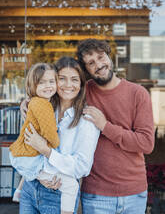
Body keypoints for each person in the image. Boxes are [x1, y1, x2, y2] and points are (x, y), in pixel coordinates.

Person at [76, 38, 155, 214]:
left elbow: (146, 143)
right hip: (96, 194)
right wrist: (28, 102)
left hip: (134, 193)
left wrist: (105, 126)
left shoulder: (138, 93)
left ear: (109, 57)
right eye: (91, 62)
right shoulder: (82, 93)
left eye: (101, 57)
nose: (99, 64)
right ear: (86, 70)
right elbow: (54, 93)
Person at [20, 56, 100, 214]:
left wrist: (47, 152)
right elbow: (25, 148)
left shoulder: (87, 119)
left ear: (81, 84)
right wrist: (38, 175)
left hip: (59, 194)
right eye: (61, 79)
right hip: (30, 188)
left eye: (74, 79)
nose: (68, 85)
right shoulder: (42, 107)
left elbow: (82, 167)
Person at [9, 62, 80, 214]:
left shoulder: (38, 102)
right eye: (41, 82)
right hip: (29, 157)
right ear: (33, 85)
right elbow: (51, 134)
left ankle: (19, 191)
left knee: (41, 170)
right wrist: (53, 143)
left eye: (51, 81)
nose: (48, 86)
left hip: (23, 155)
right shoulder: (43, 105)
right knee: (71, 185)